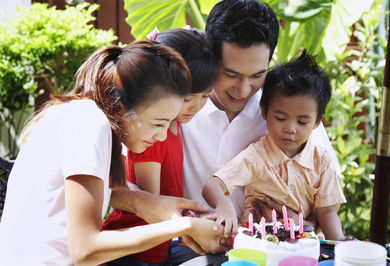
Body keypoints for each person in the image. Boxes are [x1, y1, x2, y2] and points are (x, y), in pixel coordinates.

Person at [0, 40, 224, 265]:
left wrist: (149, 203)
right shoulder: (88, 122)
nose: (163, 136)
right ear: (120, 108)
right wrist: (184, 226)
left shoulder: (82, 115)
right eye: (158, 123)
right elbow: (85, 250)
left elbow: (99, 191)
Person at [181, 0, 340, 225]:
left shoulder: (288, 110)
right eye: (231, 74)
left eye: (257, 76)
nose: (242, 90)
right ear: (211, 58)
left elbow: (326, 196)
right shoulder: (180, 105)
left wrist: (304, 223)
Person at [101, 28, 219, 266]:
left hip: (158, 248)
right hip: (133, 252)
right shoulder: (150, 137)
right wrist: (194, 222)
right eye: (187, 98)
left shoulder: (173, 127)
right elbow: (151, 204)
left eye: (205, 97)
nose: (196, 106)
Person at [202, 51, 347, 241]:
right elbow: (212, 186)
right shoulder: (256, 156)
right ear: (264, 112)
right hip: (257, 244)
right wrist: (223, 205)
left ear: (317, 122)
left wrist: (340, 246)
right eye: (280, 118)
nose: (290, 129)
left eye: (302, 122)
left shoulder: (322, 161)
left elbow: (327, 213)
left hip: (303, 245)